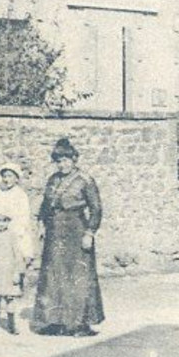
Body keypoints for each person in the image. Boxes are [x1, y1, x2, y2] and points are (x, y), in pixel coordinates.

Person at [33, 138, 104, 337]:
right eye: (59, 160)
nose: (62, 164)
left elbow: (96, 209)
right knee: (54, 275)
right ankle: (55, 321)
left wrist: (89, 232)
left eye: (66, 160)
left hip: (76, 230)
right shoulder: (53, 180)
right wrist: (40, 224)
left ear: (74, 160)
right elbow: (46, 205)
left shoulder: (85, 180)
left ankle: (80, 324)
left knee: (78, 276)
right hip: (54, 232)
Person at [0, 162, 35, 285]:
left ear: (16, 178)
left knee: (18, 256)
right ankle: (4, 286)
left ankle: (19, 285)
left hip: (17, 230)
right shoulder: (3, 193)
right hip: (3, 230)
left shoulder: (20, 194)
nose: (7, 179)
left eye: (10, 176)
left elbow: (24, 215)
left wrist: (18, 231)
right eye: (5, 176)